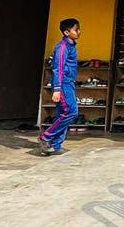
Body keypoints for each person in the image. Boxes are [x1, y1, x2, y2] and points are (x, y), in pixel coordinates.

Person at [38, 18, 81, 156]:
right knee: (71, 112)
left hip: (69, 83)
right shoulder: (62, 47)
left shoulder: (71, 46)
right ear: (67, 32)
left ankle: (56, 145)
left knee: (62, 114)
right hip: (63, 85)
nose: (79, 32)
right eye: (76, 30)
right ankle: (46, 137)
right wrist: (57, 89)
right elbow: (58, 69)